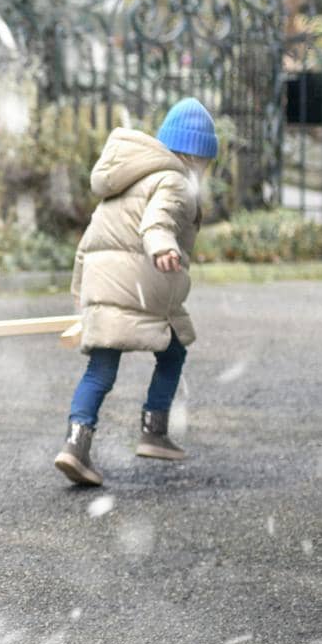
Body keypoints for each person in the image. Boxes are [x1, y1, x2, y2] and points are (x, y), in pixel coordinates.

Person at [55, 98, 218, 487]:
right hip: (141, 289)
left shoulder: (126, 180)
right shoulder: (176, 181)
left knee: (100, 370)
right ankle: (153, 430)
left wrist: (81, 290)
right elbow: (157, 221)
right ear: (196, 157)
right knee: (174, 350)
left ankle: (75, 446)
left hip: (104, 288)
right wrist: (163, 245)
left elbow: (90, 239)